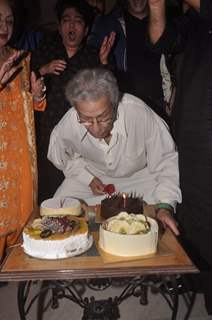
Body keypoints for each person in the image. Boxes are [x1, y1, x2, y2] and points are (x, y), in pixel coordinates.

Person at [48, 67, 181, 235]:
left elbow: (166, 161)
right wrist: (86, 178)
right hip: (95, 180)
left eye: (103, 117)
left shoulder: (139, 114)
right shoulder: (69, 122)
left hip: (141, 180)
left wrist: (165, 206)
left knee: (152, 227)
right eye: (87, 120)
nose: (96, 128)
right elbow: (60, 158)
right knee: (58, 211)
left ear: (115, 104)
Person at [148, 0, 212, 314]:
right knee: (196, 209)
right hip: (193, 134)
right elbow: (161, 38)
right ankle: (199, 280)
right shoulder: (192, 19)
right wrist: (155, 5)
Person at [31, 0, 115, 203]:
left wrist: (104, 62)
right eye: (66, 21)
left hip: (82, 139)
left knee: (82, 192)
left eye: (78, 22)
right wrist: (44, 70)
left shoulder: (93, 55)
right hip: (47, 138)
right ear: (59, 27)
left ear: (85, 30)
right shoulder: (44, 50)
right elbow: (24, 83)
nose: (71, 26)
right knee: (49, 194)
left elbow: (109, 92)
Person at [0, 0, 46, 263]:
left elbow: (28, 104)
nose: (4, 26)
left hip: (19, 159)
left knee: (22, 216)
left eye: (9, 21)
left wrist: (36, 95)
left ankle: (16, 267)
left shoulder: (22, 58)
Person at [88, 0, 170, 120]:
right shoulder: (108, 24)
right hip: (124, 105)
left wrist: (172, 97)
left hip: (161, 106)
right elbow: (91, 63)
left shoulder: (167, 22)